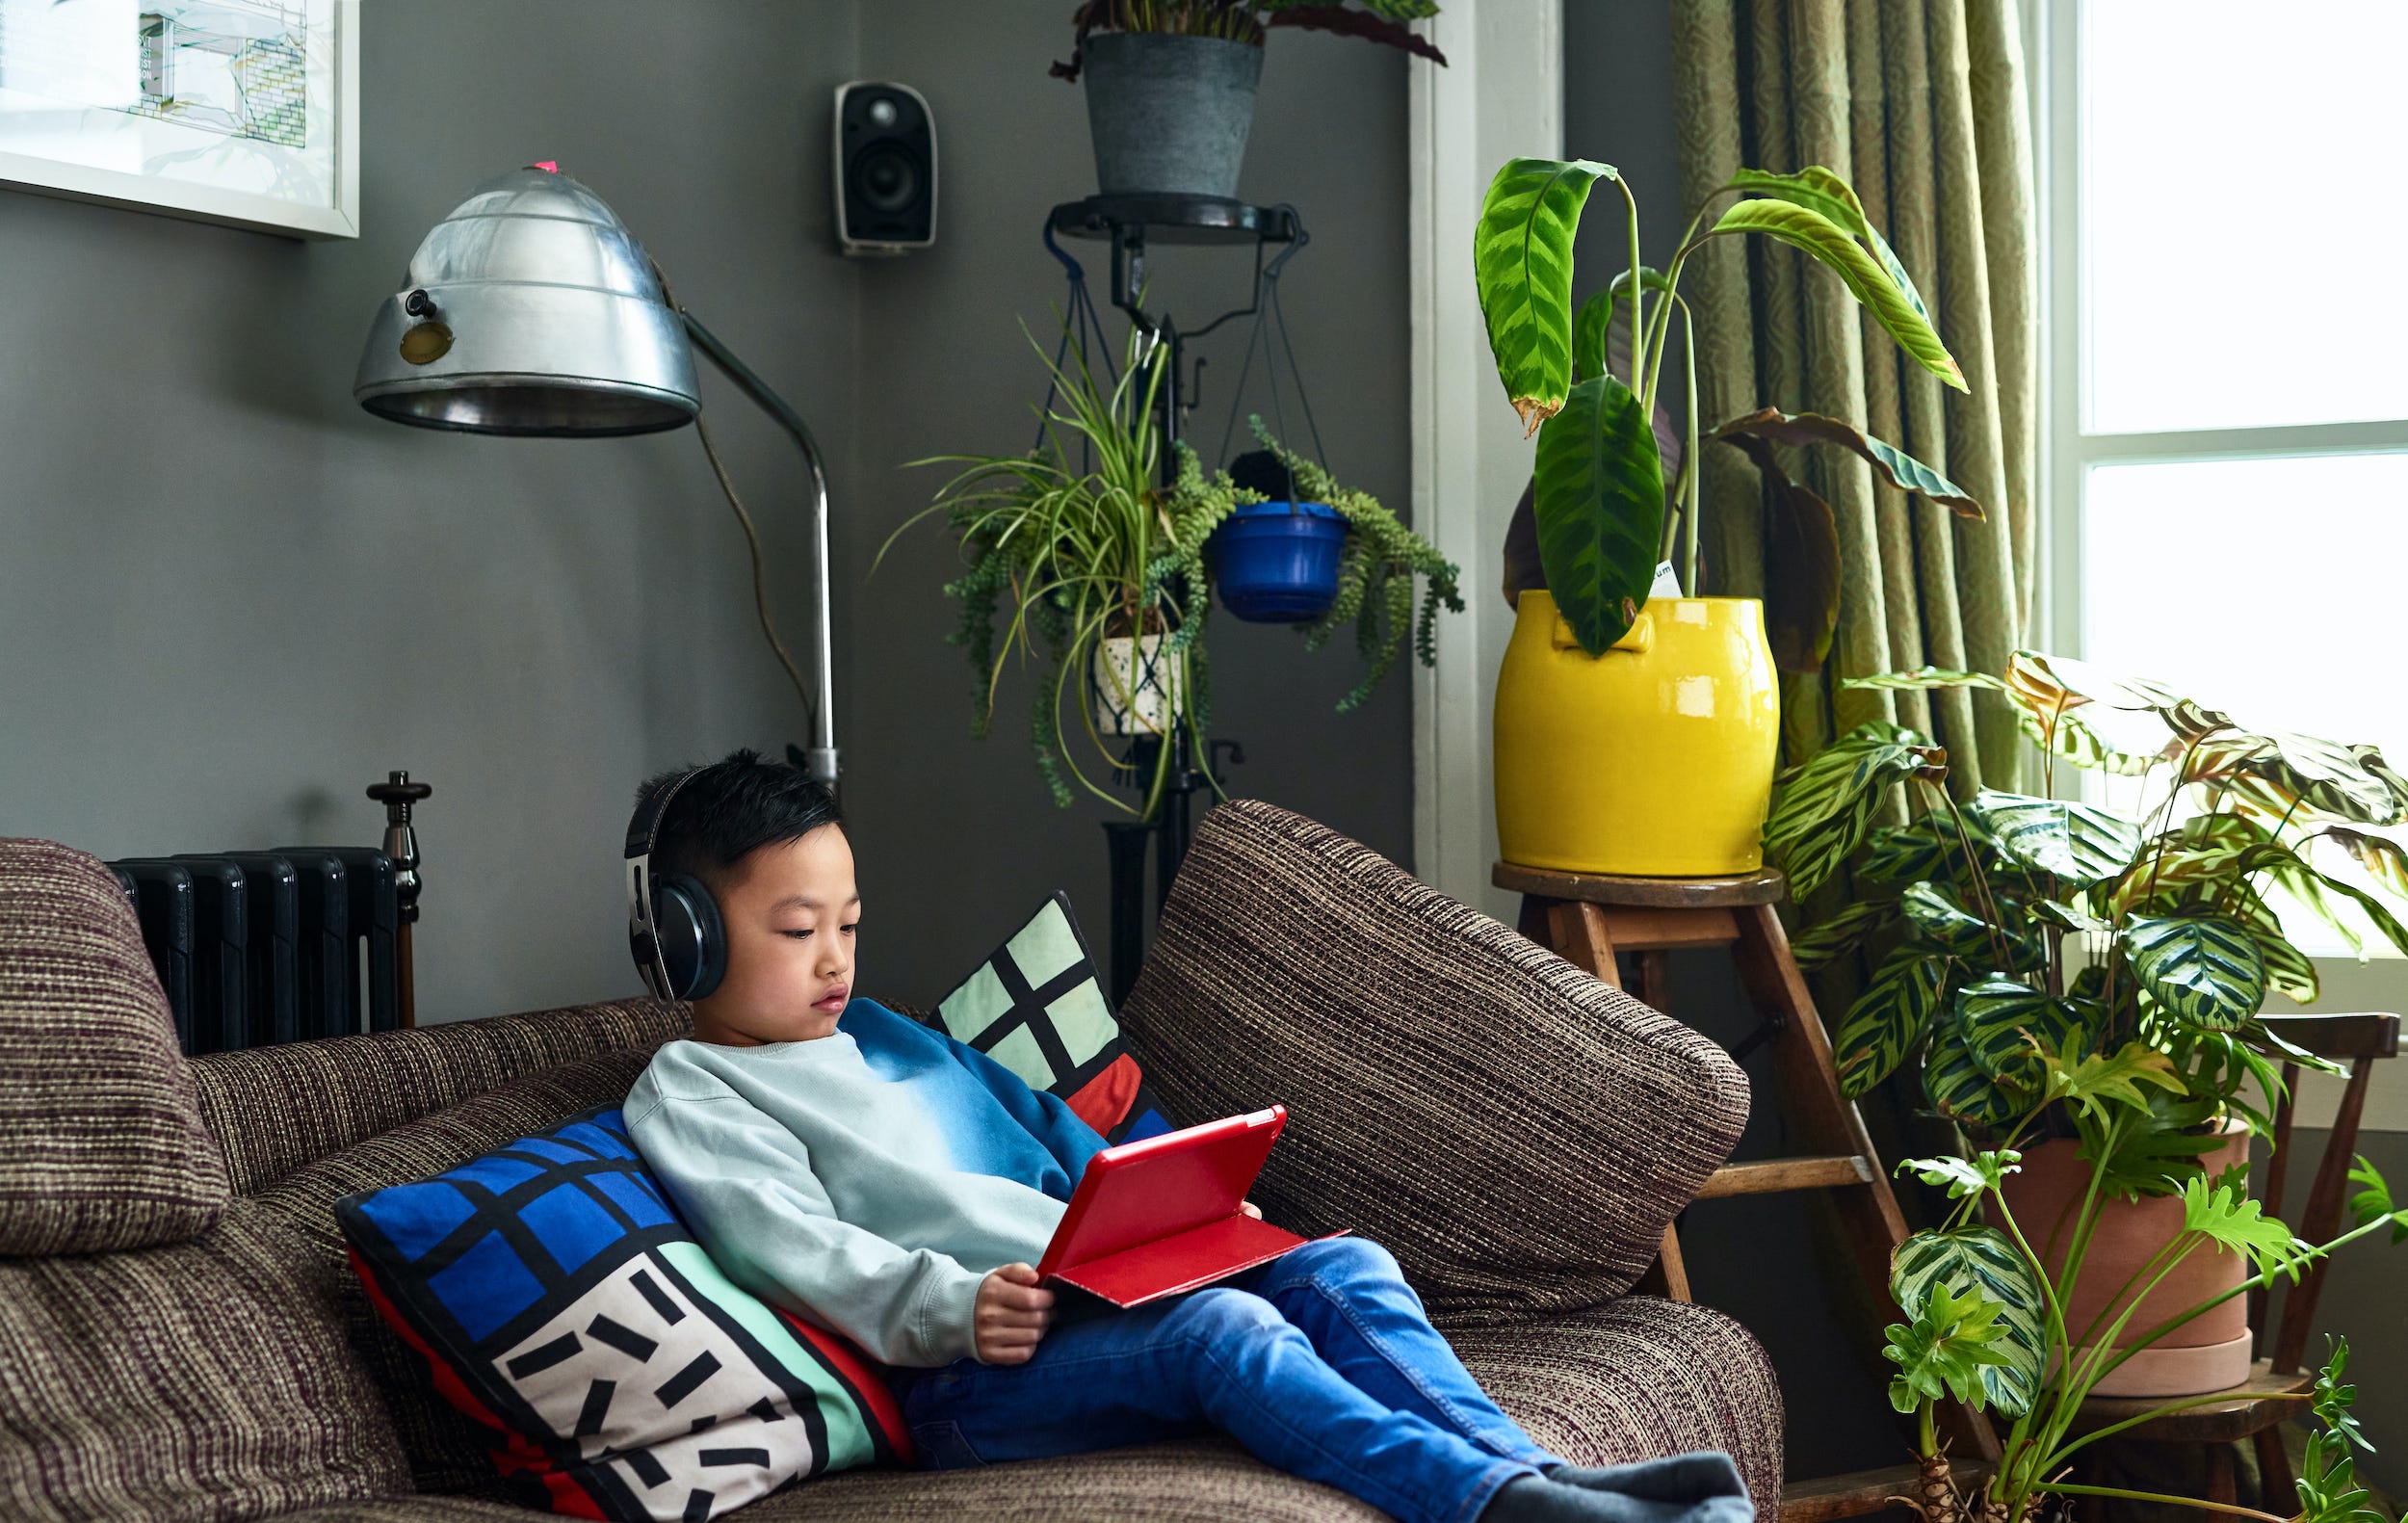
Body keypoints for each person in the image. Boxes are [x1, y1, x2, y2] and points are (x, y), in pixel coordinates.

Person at [623, 749, 1753, 1523]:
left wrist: (1191, 1215)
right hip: (963, 1377)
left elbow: (1055, 1142)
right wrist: (952, 1305)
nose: (835, 958)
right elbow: (793, 1249)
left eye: (849, 926)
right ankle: (1488, 1504)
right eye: (795, 929)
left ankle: (1538, 1477)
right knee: (1225, 1332)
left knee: (1342, 1263)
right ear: (683, 940)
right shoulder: (697, 1091)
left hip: (1088, 1299)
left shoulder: (883, 1035)